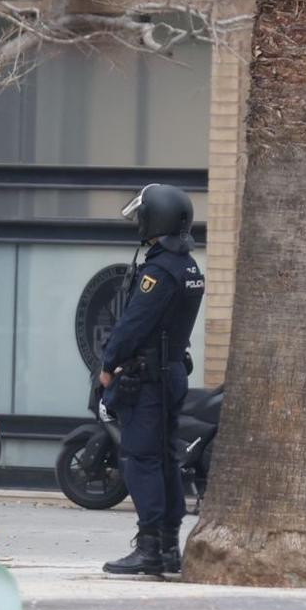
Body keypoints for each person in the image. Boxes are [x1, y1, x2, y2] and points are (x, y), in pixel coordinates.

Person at [99, 184, 205, 579]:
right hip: (172, 371)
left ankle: (148, 548)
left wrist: (108, 364)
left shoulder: (159, 270)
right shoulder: (189, 267)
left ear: (155, 218)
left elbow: (132, 326)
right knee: (166, 460)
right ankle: (167, 547)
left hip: (148, 379)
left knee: (142, 460)